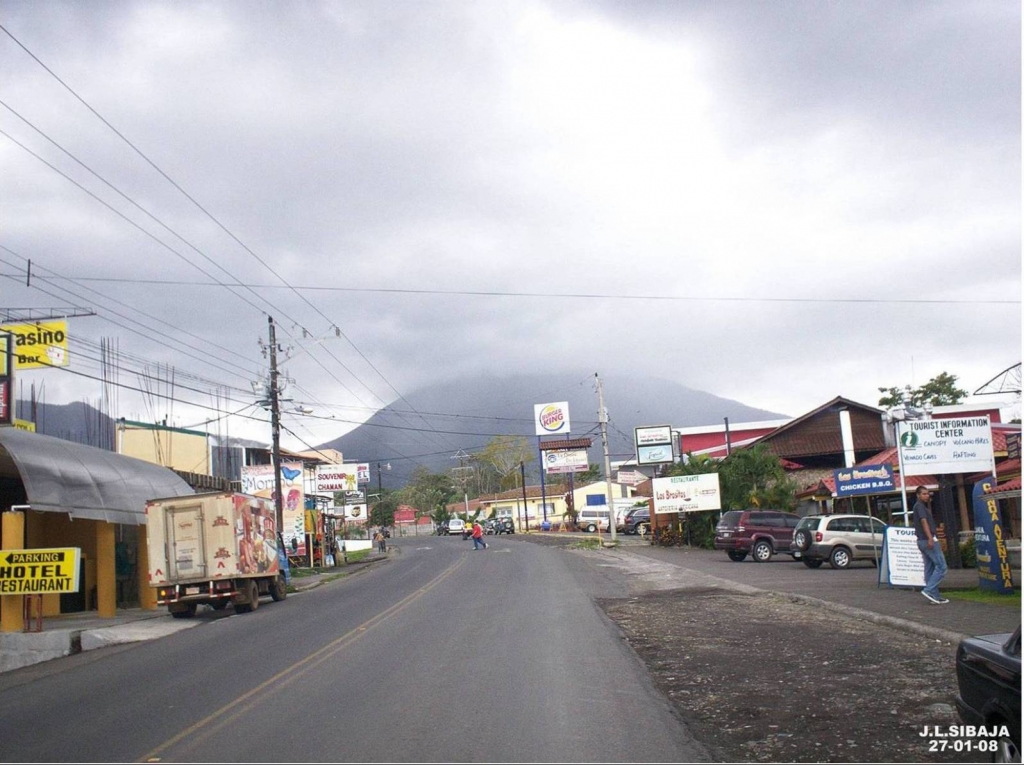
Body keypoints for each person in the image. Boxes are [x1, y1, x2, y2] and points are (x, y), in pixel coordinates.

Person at [912, 486, 948, 604]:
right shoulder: (920, 507)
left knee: (929, 568)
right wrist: (930, 538)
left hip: (921, 541)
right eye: (923, 494)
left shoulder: (920, 507)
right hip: (926, 540)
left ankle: (934, 596)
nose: (926, 496)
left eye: (927, 494)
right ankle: (929, 590)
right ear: (918, 495)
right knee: (941, 566)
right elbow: (923, 521)